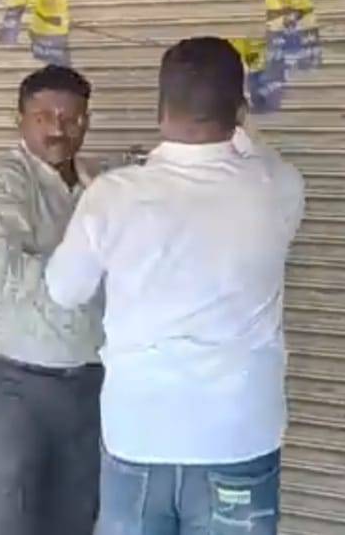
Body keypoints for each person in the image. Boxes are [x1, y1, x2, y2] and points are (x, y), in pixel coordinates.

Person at [46, 37, 305, 535]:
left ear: (161, 109)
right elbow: (254, 152)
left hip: (139, 432)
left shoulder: (112, 195)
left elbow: (64, 290)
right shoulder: (277, 187)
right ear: (240, 112)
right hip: (238, 435)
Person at [0, 64, 106, 535]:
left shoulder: (98, 184)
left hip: (87, 382)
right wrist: (81, 275)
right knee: (8, 515)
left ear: (86, 121)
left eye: (72, 118)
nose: (59, 129)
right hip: (15, 384)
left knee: (76, 515)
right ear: (19, 119)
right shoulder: (3, 182)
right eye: (44, 117)